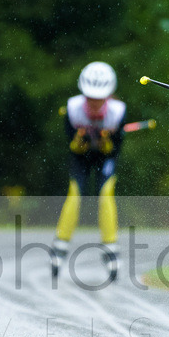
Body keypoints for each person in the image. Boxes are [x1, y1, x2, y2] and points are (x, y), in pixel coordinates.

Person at [51, 61, 126, 282]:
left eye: (99, 98)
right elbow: (72, 147)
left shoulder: (117, 111)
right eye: (90, 98)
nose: (94, 103)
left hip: (105, 157)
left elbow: (116, 149)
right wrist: (80, 139)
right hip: (80, 157)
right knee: (75, 195)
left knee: (105, 196)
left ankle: (111, 248)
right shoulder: (73, 109)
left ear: (108, 95)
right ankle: (59, 246)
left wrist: (106, 140)